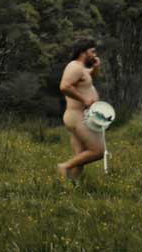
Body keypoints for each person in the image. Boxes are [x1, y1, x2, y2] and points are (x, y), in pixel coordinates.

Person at [56, 38, 104, 180]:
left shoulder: (82, 68)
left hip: (78, 116)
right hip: (77, 116)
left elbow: (87, 77)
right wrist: (84, 100)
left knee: (81, 157)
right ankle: (64, 166)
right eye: (92, 51)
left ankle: (69, 187)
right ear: (83, 52)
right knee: (98, 151)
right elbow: (64, 86)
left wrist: (96, 68)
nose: (95, 55)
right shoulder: (75, 67)